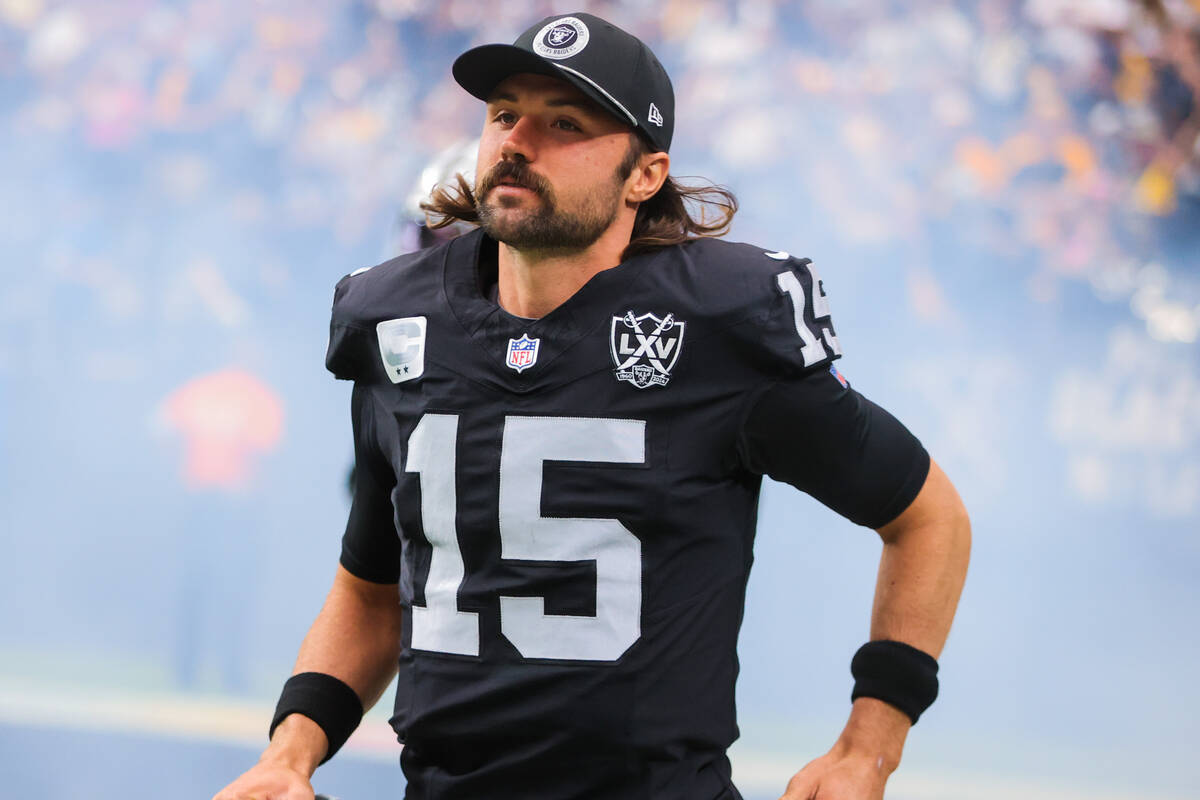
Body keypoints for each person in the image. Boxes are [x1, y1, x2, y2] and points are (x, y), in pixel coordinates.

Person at [214, 12, 970, 800]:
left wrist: (869, 746)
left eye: (564, 123)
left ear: (644, 176)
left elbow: (928, 519)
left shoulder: (715, 325)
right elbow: (371, 593)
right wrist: (290, 754)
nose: (517, 140)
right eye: (505, 114)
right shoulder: (399, 323)